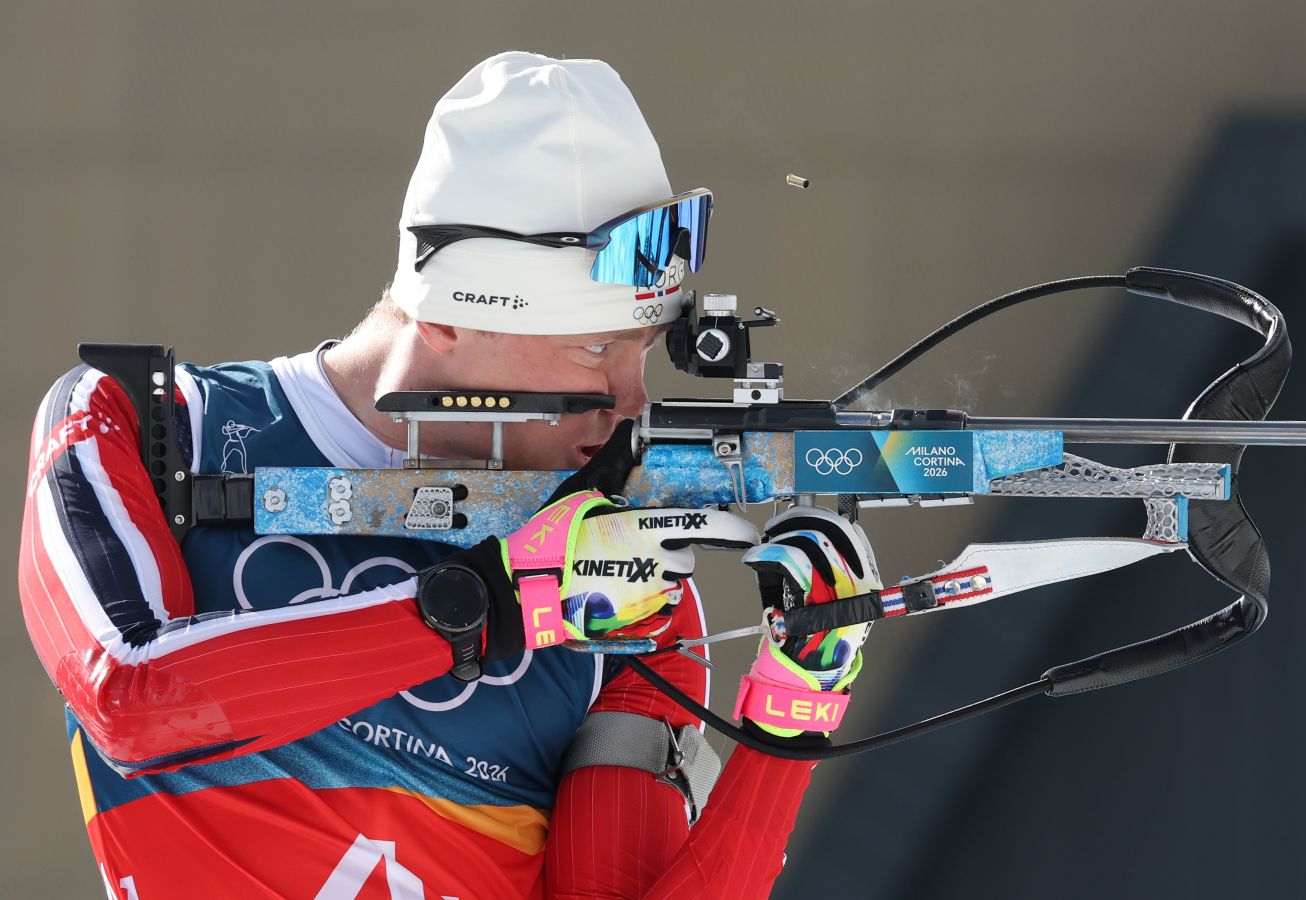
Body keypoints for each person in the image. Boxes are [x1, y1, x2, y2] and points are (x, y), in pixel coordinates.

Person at [18, 51, 882, 899]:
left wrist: (795, 705)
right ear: (447, 319)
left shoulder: (624, 589)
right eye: (595, 348)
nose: (631, 403)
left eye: (644, 351)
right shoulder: (149, 423)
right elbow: (133, 702)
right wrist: (506, 601)